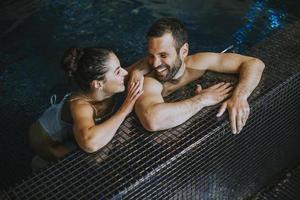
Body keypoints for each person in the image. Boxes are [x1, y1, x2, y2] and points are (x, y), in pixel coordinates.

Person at [132, 17, 265, 134]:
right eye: (151, 55)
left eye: (163, 55)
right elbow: (153, 120)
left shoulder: (199, 62)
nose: (155, 64)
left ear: (184, 51)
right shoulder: (149, 81)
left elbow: (254, 63)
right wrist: (201, 100)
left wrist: (240, 97)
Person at [29, 47, 144, 163]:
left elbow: (145, 63)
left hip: (73, 131)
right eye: (118, 72)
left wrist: (137, 73)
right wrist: (125, 110)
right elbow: (90, 143)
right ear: (98, 84)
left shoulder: (110, 84)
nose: (125, 72)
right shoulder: (80, 105)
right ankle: (40, 163)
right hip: (46, 141)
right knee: (96, 159)